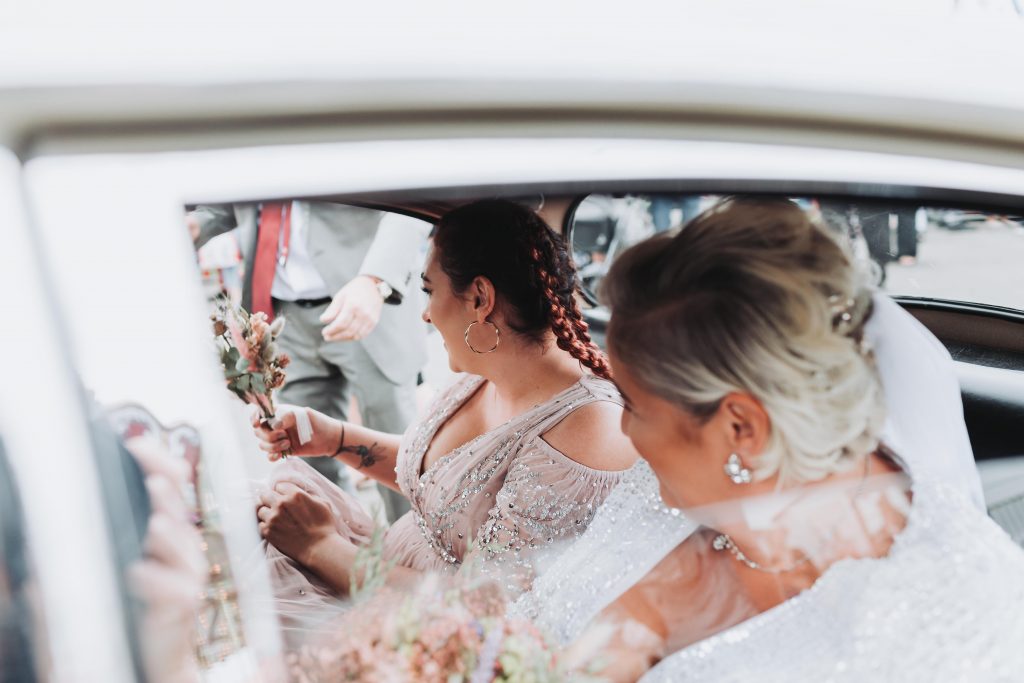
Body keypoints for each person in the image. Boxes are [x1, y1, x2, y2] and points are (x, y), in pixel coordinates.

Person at [524, 197, 1020, 682]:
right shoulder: (662, 491)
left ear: (742, 427)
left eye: (633, 405)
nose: (625, 430)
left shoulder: (952, 613)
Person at [250, 199, 638, 646]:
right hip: (379, 580)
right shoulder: (484, 373)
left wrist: (320, 546)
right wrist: (334, 437)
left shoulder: (584, 431)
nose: (426, 313)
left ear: (480, 298)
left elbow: (488, 608)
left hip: (425, 637)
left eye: (429, 290)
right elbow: (447, 482)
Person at [189, 201, 429, 523]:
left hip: (364, 299)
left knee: (398, 454)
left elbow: (407, 204)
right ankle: (347, 559)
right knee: (307, 456)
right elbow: (235, 198)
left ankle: (422, 555)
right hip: (282, 314)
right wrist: (196, 224)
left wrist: (376, 281)